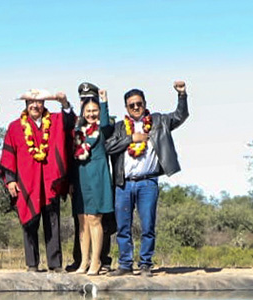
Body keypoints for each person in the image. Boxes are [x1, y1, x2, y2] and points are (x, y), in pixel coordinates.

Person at [104, 81, 189, 277]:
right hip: (124, 183)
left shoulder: (158, 121)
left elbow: (180, 116)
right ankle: (125, 264)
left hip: (148, 182)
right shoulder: (119, 127)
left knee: (148, 225)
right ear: (126, 107)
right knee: (122, 227)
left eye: (139, 104)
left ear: (144, 103)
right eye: (131, 105)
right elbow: (108, 148)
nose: (136, 108)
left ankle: (145, 264)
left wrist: (182, 95)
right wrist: (131, 139)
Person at [0, 89, 75, 272]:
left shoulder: (55, 121)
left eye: (39, 102)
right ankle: (32, 264)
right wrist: (10, 180)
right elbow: (8, 155)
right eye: (31, 102)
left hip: (50, 181)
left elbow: (70, 121)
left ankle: (55, 264)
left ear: (44, 104)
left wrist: (64, 103)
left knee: (53, 222)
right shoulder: (16, 126)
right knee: (29, 222)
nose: (35, 105)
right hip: (27, 182)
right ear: (26, 105)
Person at [68, 83, 115, 276]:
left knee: (95, 219)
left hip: (98, 177)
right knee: (82, 220)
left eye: (94, 110)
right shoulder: (78, 131)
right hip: (81, 178)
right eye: (88, 111)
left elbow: (104, 122)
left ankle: (96, 262)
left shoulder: (104, 129)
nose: (91, 114)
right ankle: (83, 262)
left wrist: (103, 101)